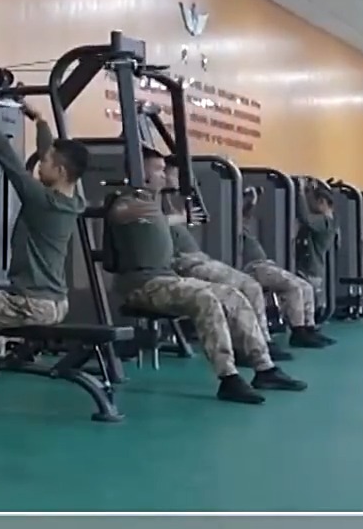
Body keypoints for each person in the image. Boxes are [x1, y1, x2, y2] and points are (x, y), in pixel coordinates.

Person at [105, 168, 304, 403]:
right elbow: (122, 214)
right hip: (142, 285)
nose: (163, 174)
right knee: (204, 298)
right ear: (143, 174)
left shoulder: (154, 203)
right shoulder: (127, 203)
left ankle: (264, 368)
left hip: (168, 278)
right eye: (158, 169)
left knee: (232, 294)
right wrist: (176, 217)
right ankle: (228, 377)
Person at [0, 95, 88, 402]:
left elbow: (8, 160)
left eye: (45, 162)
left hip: (31, 304)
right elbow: (51, 154)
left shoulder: (43, 201)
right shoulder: (76, 200)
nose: (40, 164)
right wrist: (40, 121)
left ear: (61, 172)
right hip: (55, 303)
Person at [151, 152, 289, 360]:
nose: (171, 177)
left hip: (198, 258)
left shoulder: (171, 199)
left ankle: (261, 342)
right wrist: (180, 217)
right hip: (183, 262)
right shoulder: (151, 200)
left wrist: (247, 202)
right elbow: (150, 223)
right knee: (248, 287)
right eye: (171, 173)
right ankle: (254, 346)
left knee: (250, 286)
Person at [239, 187, 328, 349]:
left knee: (306, 287)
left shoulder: (243, 224)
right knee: (293, 287)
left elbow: (246, 213)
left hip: (266, 264)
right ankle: (298, 331)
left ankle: (309, 328)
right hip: (253, 267)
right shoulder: (232, 228)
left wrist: (252, 200)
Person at [295, 178, 339, 330]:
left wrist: (300, 192)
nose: (310, 205)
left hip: (310, 270)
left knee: (306, 306)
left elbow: (305, 217)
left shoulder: (324, 221)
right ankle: (308, 329)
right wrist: (309, 189)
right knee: (308, 306)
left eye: (312, 201)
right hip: (314, 269)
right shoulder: (330, 221)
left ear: (322, 202)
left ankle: (306, 330)